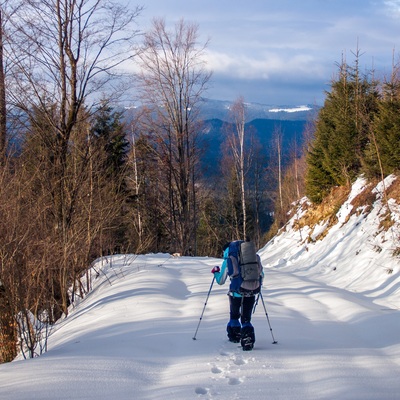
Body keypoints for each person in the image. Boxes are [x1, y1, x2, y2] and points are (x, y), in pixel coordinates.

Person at [211, 238, 263, 351]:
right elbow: (261, 274)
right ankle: (248, 338)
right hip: (252, 291)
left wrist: (215, 273)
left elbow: (221, 280)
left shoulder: (229, 258)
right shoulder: (253, 257)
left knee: (234, 316)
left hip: (236, 292)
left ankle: (234, 335)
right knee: (246, 319)